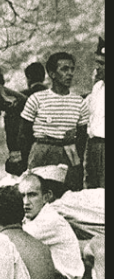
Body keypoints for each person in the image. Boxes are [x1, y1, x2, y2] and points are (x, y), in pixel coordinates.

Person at [19, 52, 89, 190]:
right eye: (64, 69)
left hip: (69, 152)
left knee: (69, 192)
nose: (69, 73)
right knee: (40, 191)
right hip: (42, 150)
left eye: (71, 69)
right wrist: (31, 156)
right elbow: (24, 134)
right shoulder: (37, 99)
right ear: (52, 73)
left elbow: (82, 137)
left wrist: (75, 156)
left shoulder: (79, 102)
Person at [18, 167, 84, 279]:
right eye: (21, 196)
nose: (26, 202)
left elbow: (13, 240)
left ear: (46, 197)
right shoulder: (33, 216)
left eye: (32, 195)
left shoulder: (49, 220)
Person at [5, 62, 49, 174]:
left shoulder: (20, 99)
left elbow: (11, 126)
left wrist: (14, 151)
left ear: (28, 78)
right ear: (43, 77)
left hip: (27, 150)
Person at [84, 35, 104, 188]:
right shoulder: (98, 87)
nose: (98, 67)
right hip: (93, 145)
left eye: (102, 63)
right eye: (97, 62)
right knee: (92, 186)